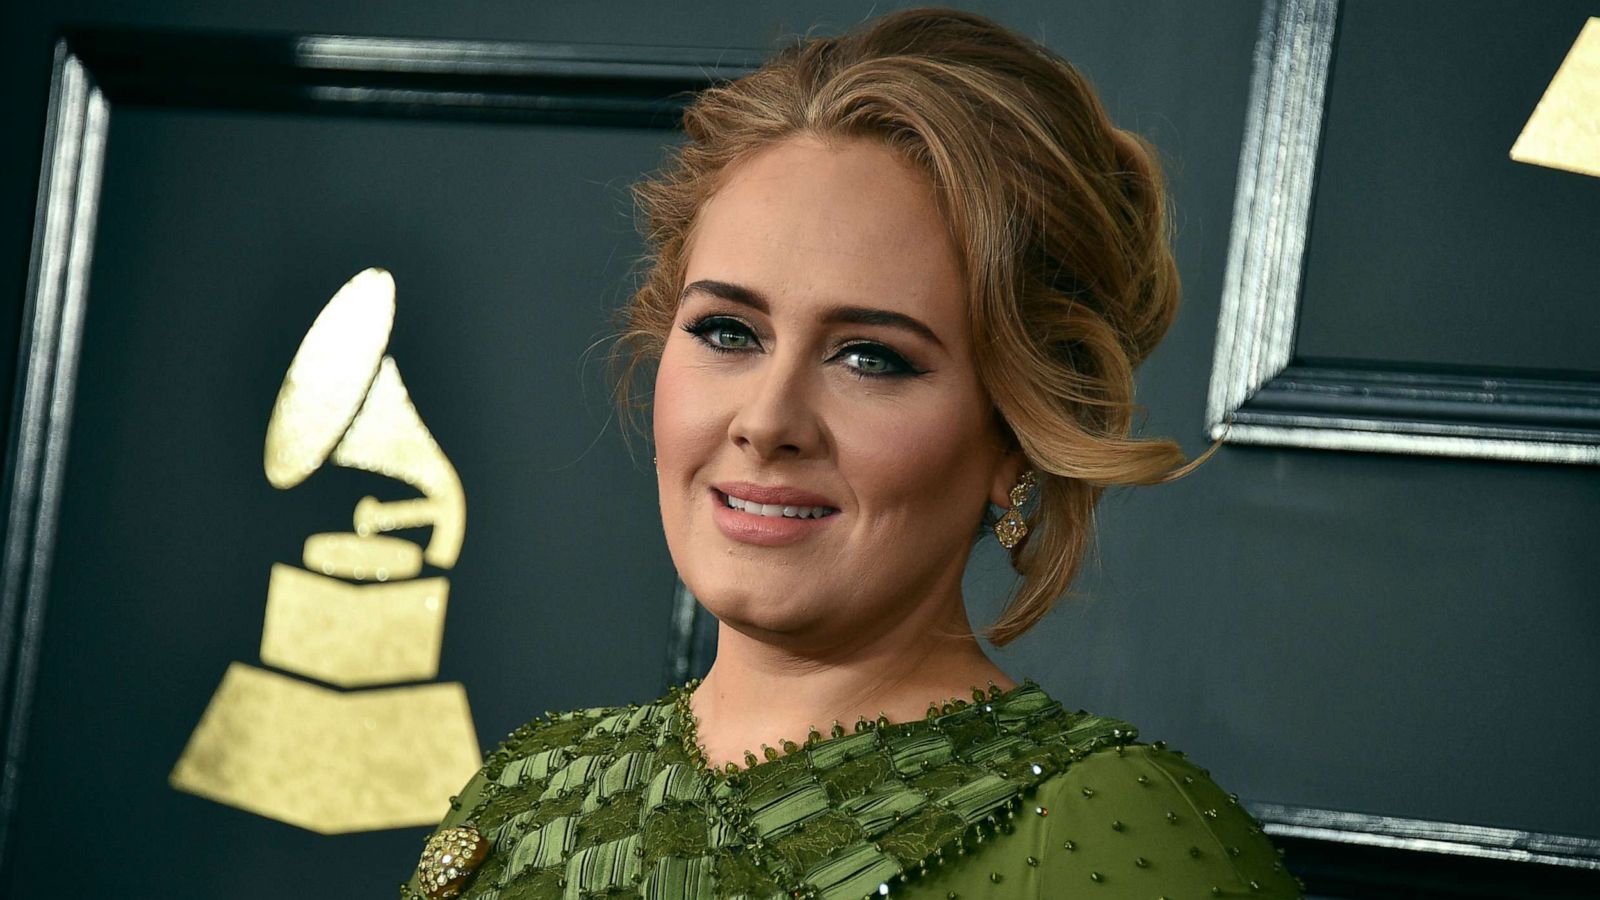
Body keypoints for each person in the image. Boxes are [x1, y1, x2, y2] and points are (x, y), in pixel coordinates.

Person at [403, 7, 1301, 899]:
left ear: (1020, 433)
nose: (768, 418)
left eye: (871, 356)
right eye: (727, 330)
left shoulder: (1111, 829)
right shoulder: (527, 792)